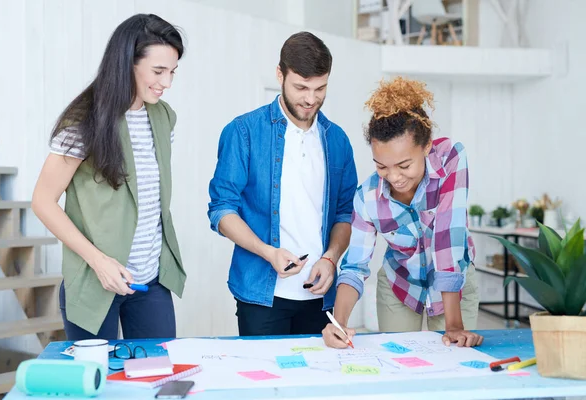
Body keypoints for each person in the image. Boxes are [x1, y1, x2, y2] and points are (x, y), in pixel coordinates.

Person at [32, 14, 186, 340]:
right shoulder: (83, 121)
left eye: (172, 72)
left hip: (151, 281)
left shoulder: (164, 117)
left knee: (155, 377)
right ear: (127, 62)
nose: (167, 82)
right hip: (94, 280)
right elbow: (43, 202)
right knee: (97, 383)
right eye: (158, 71)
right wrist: (99, 262)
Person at [208, 32, 357, 336]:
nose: (310, 98)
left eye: (320, 88)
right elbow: (222, 210)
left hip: (320, 296)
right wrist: (268, 252)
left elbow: (345, 214)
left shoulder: (337, 140)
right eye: (301, 87)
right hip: (262, 295)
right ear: (280, 75)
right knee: (266, 380)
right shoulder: (243, 132)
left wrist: (331, 259)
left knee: (317, 380)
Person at [322, 77, 482, 348]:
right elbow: (354, 267)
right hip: (400, 287)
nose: (394, 177)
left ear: (427, 145)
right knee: (400, 362)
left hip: (454, 285)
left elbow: (448, 240)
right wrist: (338, 324)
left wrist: (454, 326)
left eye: (404, 165)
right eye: (381, 167)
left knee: (453, 364)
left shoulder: (450, 159)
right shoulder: (367, 197)